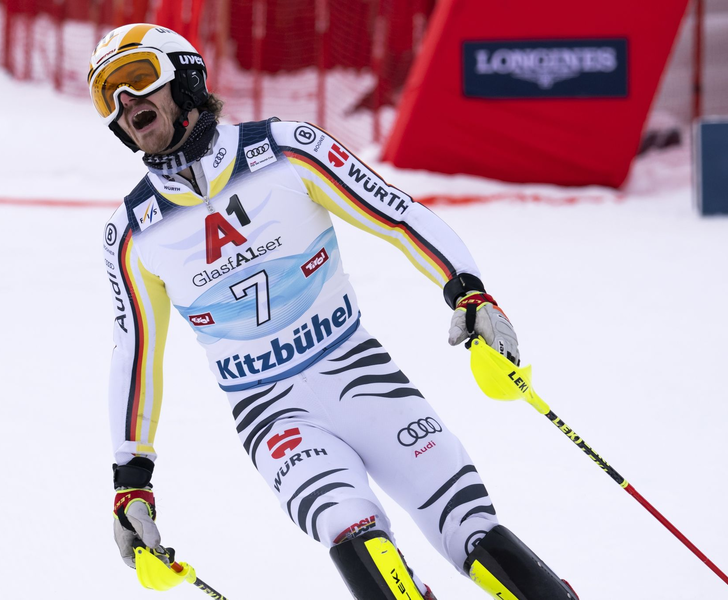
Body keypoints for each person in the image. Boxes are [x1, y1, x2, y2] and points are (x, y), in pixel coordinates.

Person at [91, 23, 579, 600]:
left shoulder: (285, 148)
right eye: (107, 94)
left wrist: (468, 291)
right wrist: (131, 482)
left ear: (186, 78)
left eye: (137, 79)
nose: (126, 104)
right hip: (273, 417)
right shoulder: (130, 231)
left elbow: (396, 214)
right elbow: (135, 355)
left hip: (360, 376)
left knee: (473, 532)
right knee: (360, 545)